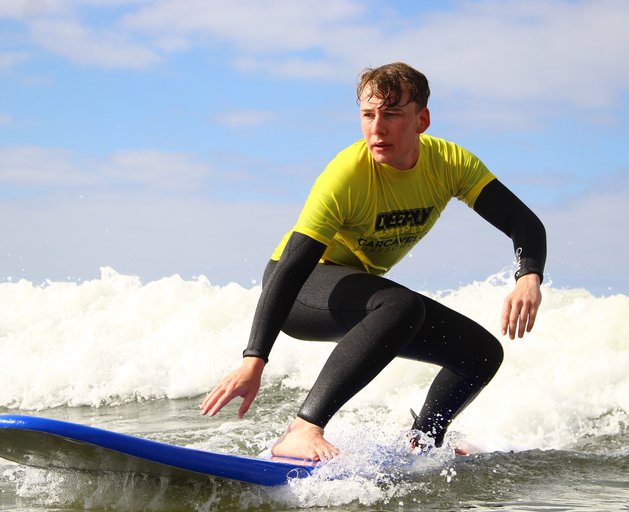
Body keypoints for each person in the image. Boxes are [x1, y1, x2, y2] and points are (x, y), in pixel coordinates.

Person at [201, 62, 546, 461]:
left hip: (363, 297)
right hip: (300, 289)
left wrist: (528, 276)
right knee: (400, 305)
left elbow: (523, 222)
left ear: (422, 120)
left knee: (480, 354)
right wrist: (254, 359)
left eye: (392, 114)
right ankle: (302, 428)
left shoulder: (450, 164)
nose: (377, 128)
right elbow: (290, 269)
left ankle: (421, 444)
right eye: (368, 114)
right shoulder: (347, 174)